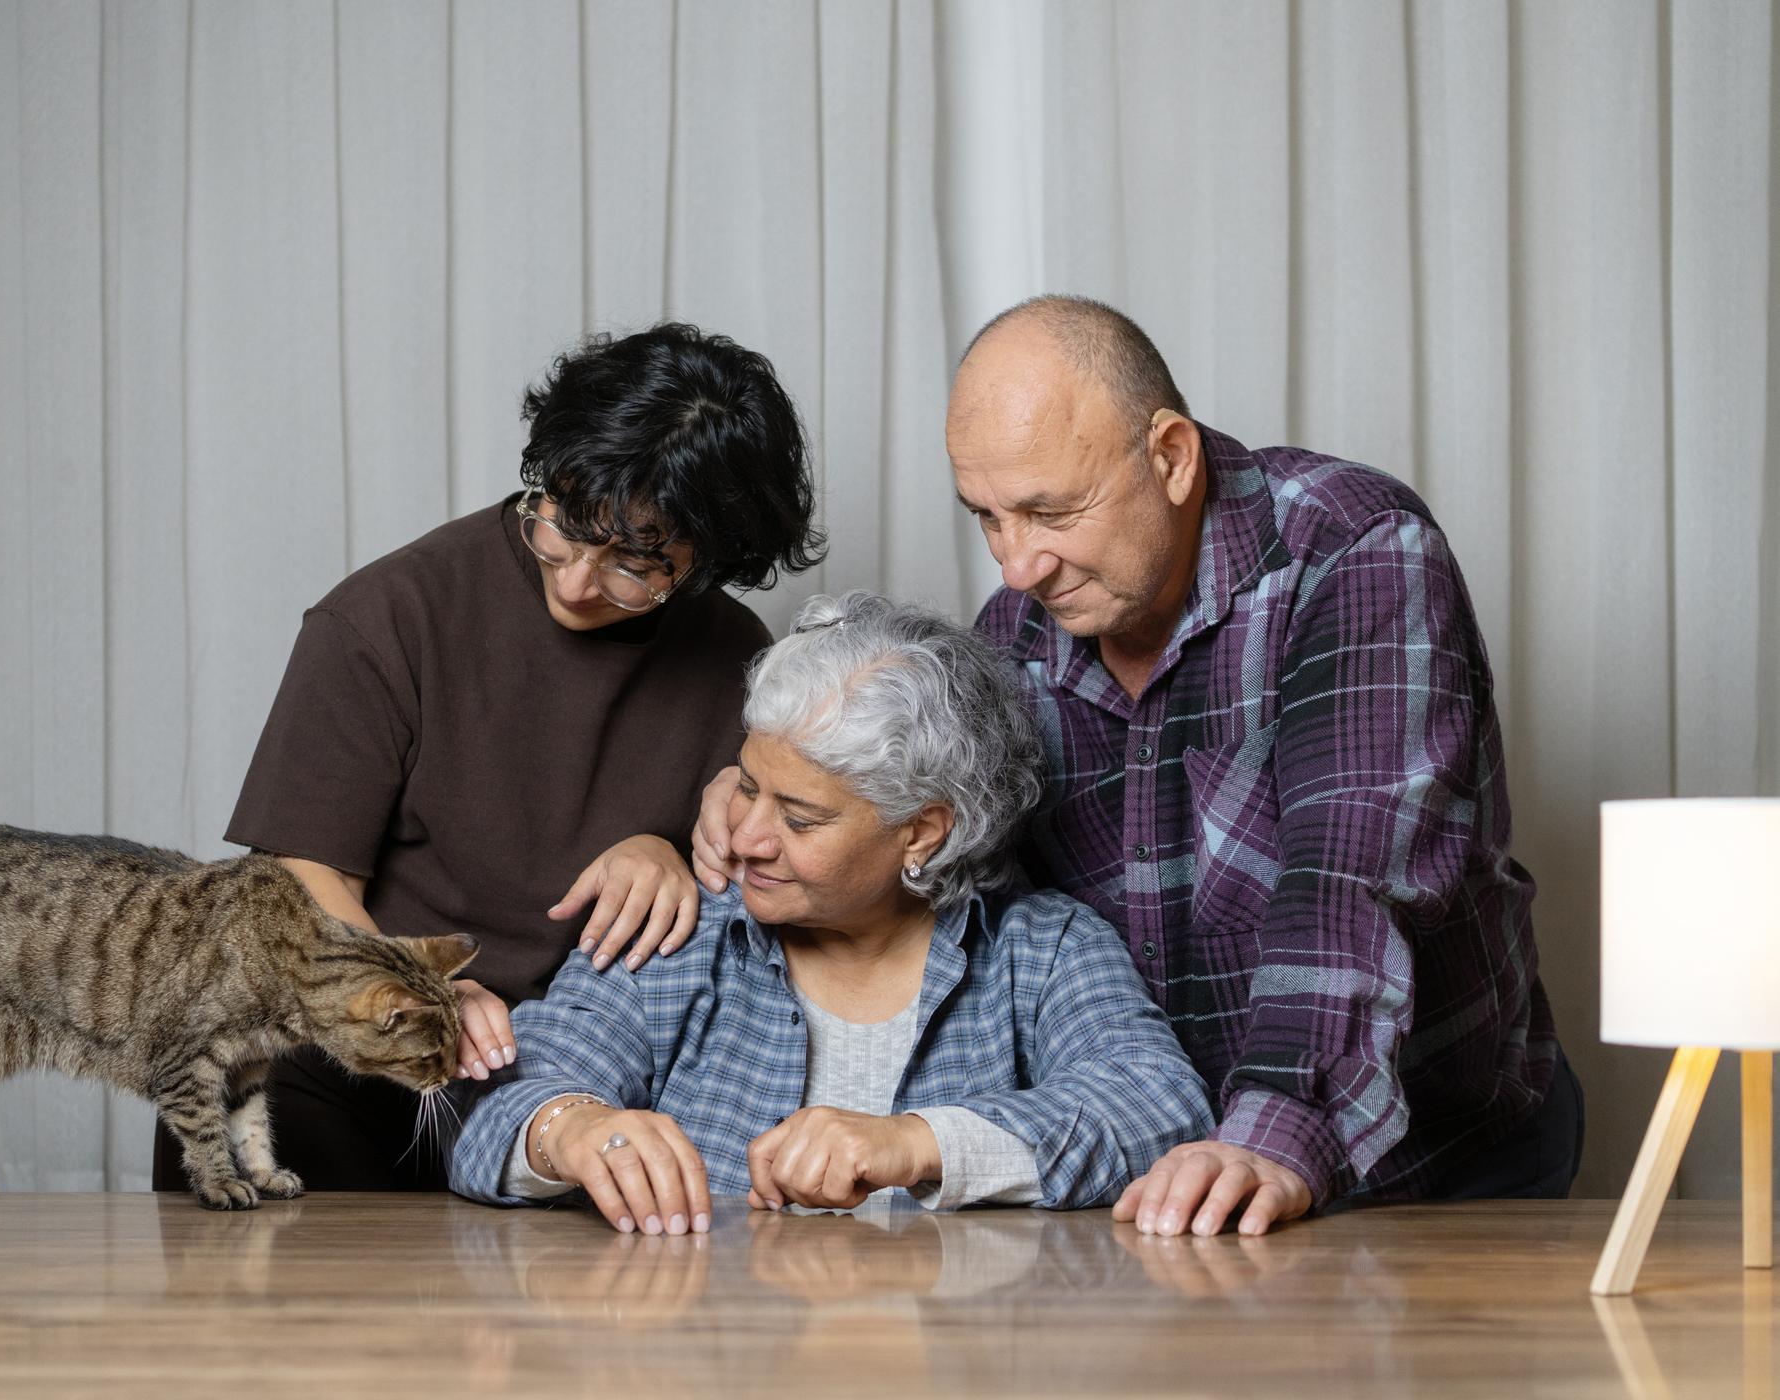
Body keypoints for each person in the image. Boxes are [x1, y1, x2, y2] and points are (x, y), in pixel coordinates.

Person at [693, 295, 1577, 1237]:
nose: (1019, 565)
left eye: (1050, 511)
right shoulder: (1014, 638)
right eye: (988, 519)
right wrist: (764, 798)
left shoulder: (1350, 551)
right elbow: (969, 901)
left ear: (1170, 457)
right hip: (1180, 1182)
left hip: (1434, 1154)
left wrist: (1276, 1129)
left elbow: (1350, 879)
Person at [153, 322, 824, 1193]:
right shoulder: (387, 617)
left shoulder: (738, 658)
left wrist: (670, 858)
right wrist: (420, 997)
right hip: (340, 1069)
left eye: (635, 562)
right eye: (563, 526)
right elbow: (294, 879)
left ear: (710, 554)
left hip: (566, 1087)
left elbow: (757, 881)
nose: (579, 581)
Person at [452, 592, 1212, 1233]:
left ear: (922, 830)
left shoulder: (1044, 949)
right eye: (746, 786)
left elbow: (1162, 1109)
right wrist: (572, 1129)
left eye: (801, 819)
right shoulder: (679, 928)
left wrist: (917, 1145)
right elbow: (490, 1114)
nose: (746, 839)